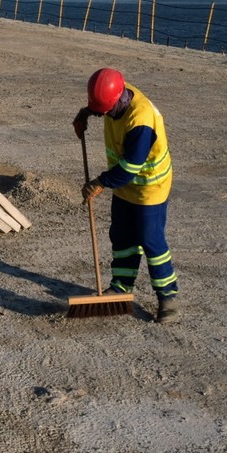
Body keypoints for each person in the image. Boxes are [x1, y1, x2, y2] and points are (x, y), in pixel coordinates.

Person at [72, 67, 180, 324]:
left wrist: (99, 183)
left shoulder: (140, 121)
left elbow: (131, 168)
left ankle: (168, 298)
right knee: (120, 236)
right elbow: (102, 103)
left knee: (150, 240)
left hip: (149, 187)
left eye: (106, 111)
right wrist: (86, 113)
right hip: (123, 183)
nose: (105, 115)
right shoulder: (116, 93)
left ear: (120, 99)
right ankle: (121, 287)